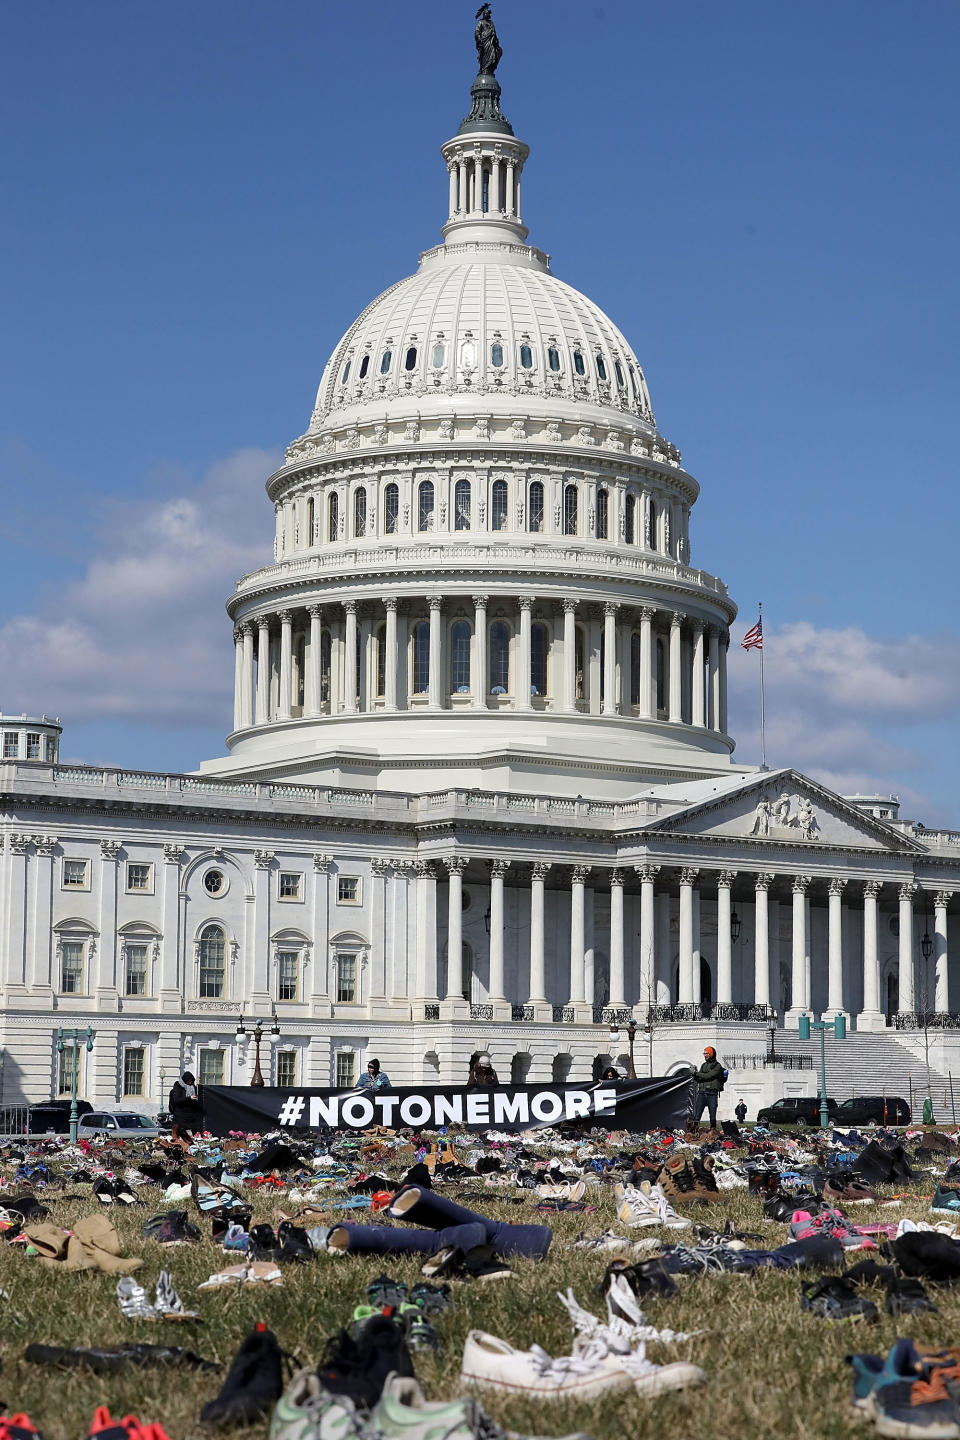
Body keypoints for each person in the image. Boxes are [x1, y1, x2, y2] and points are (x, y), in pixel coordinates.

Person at [692, 1046, 725, 1130]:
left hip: (712, 1093)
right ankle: (694, 1132)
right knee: (697, 1115)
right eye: (704, 1053)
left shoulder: (717, 1066)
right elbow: (699, 1079)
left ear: (711, 1054)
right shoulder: (704, 1065)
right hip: (702, 1093)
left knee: (712, 1116)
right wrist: (694, 1075)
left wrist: (696, 1073)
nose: (705, 1055)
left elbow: (708, 1076)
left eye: (706, 1053)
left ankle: (713, 1132)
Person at [168, 1071, 202, 1142]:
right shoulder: (178, 1087)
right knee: (179, 1130)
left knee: (193, 1129)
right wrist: (189, 1098)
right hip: (180, 1114)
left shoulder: (193, 1087)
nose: (190, 1083)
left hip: (190, 1113)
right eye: (189, 1081)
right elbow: (177, 1100)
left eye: (191, 1081)